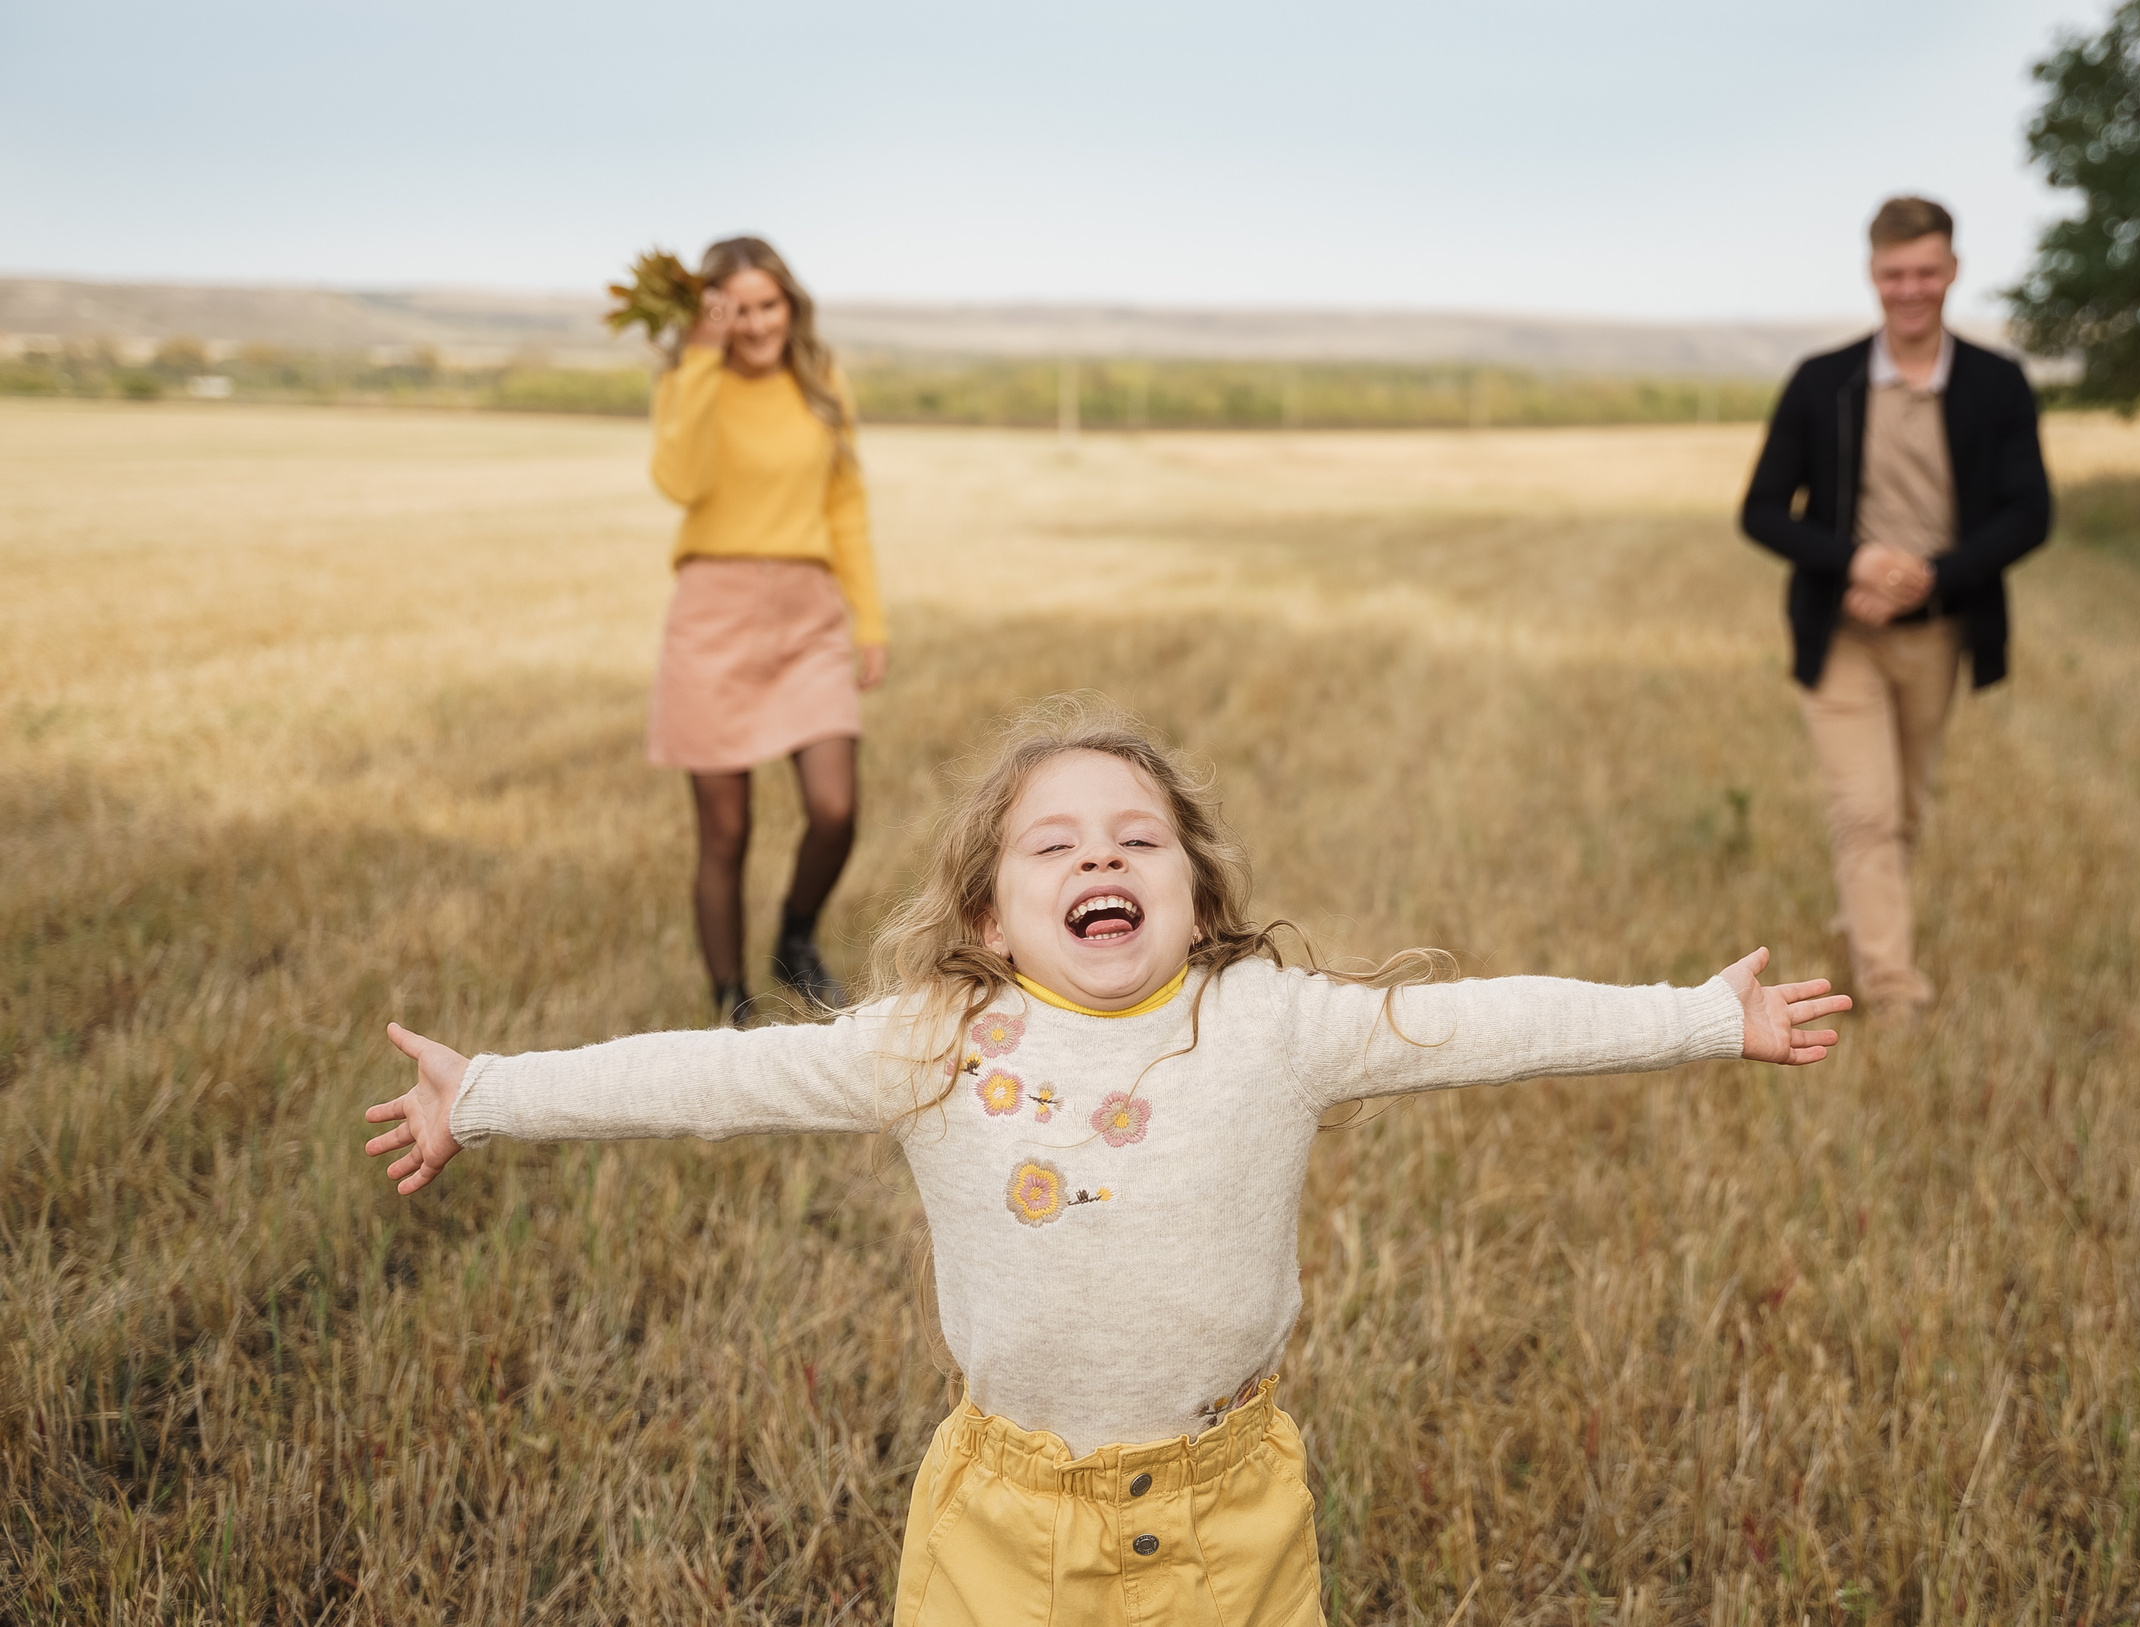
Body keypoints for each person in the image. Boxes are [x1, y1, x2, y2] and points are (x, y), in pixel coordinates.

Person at [363, 697, 1849, 1626]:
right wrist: (485, 1092)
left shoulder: (1271, 1022)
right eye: (1054, 846)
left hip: (1231, 1513)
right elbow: (714, 1070)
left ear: (1197, 899)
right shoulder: (932, 1039)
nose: (1101, 860)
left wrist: (1705, 1017)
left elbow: (1483, 1022)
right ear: (993, 916)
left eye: (1139, 838)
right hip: (1001, 1527)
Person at [1739, 197, 2051, 1017]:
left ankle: (1864, 921)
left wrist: (1934, 576)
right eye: (1893, 274)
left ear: (1952, 272)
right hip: (1837, 634)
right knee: (1867, 810)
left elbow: (2030, 511)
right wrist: (1856, 560)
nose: (1909, 288)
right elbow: (1762, 509)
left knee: (1904, 810)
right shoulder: (1823, 382)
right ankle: (1892, 988)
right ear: (1872, 276)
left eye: (1925, 271)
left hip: (1940, 634)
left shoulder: (1996, 382)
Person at [646, 236, 889, 1025]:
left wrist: (869, 619)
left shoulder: (821, 382)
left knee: (834, 807)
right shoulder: (691, 383)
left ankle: (796, 938)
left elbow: (846, 507)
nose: (756, 324)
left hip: (807, 611)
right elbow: (678, 481)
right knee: (725, 831)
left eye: (767, 305)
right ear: (712, 313)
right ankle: (731, 1007)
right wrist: (700, 357)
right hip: (712, 612)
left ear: (790, 304)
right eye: (736, 309)